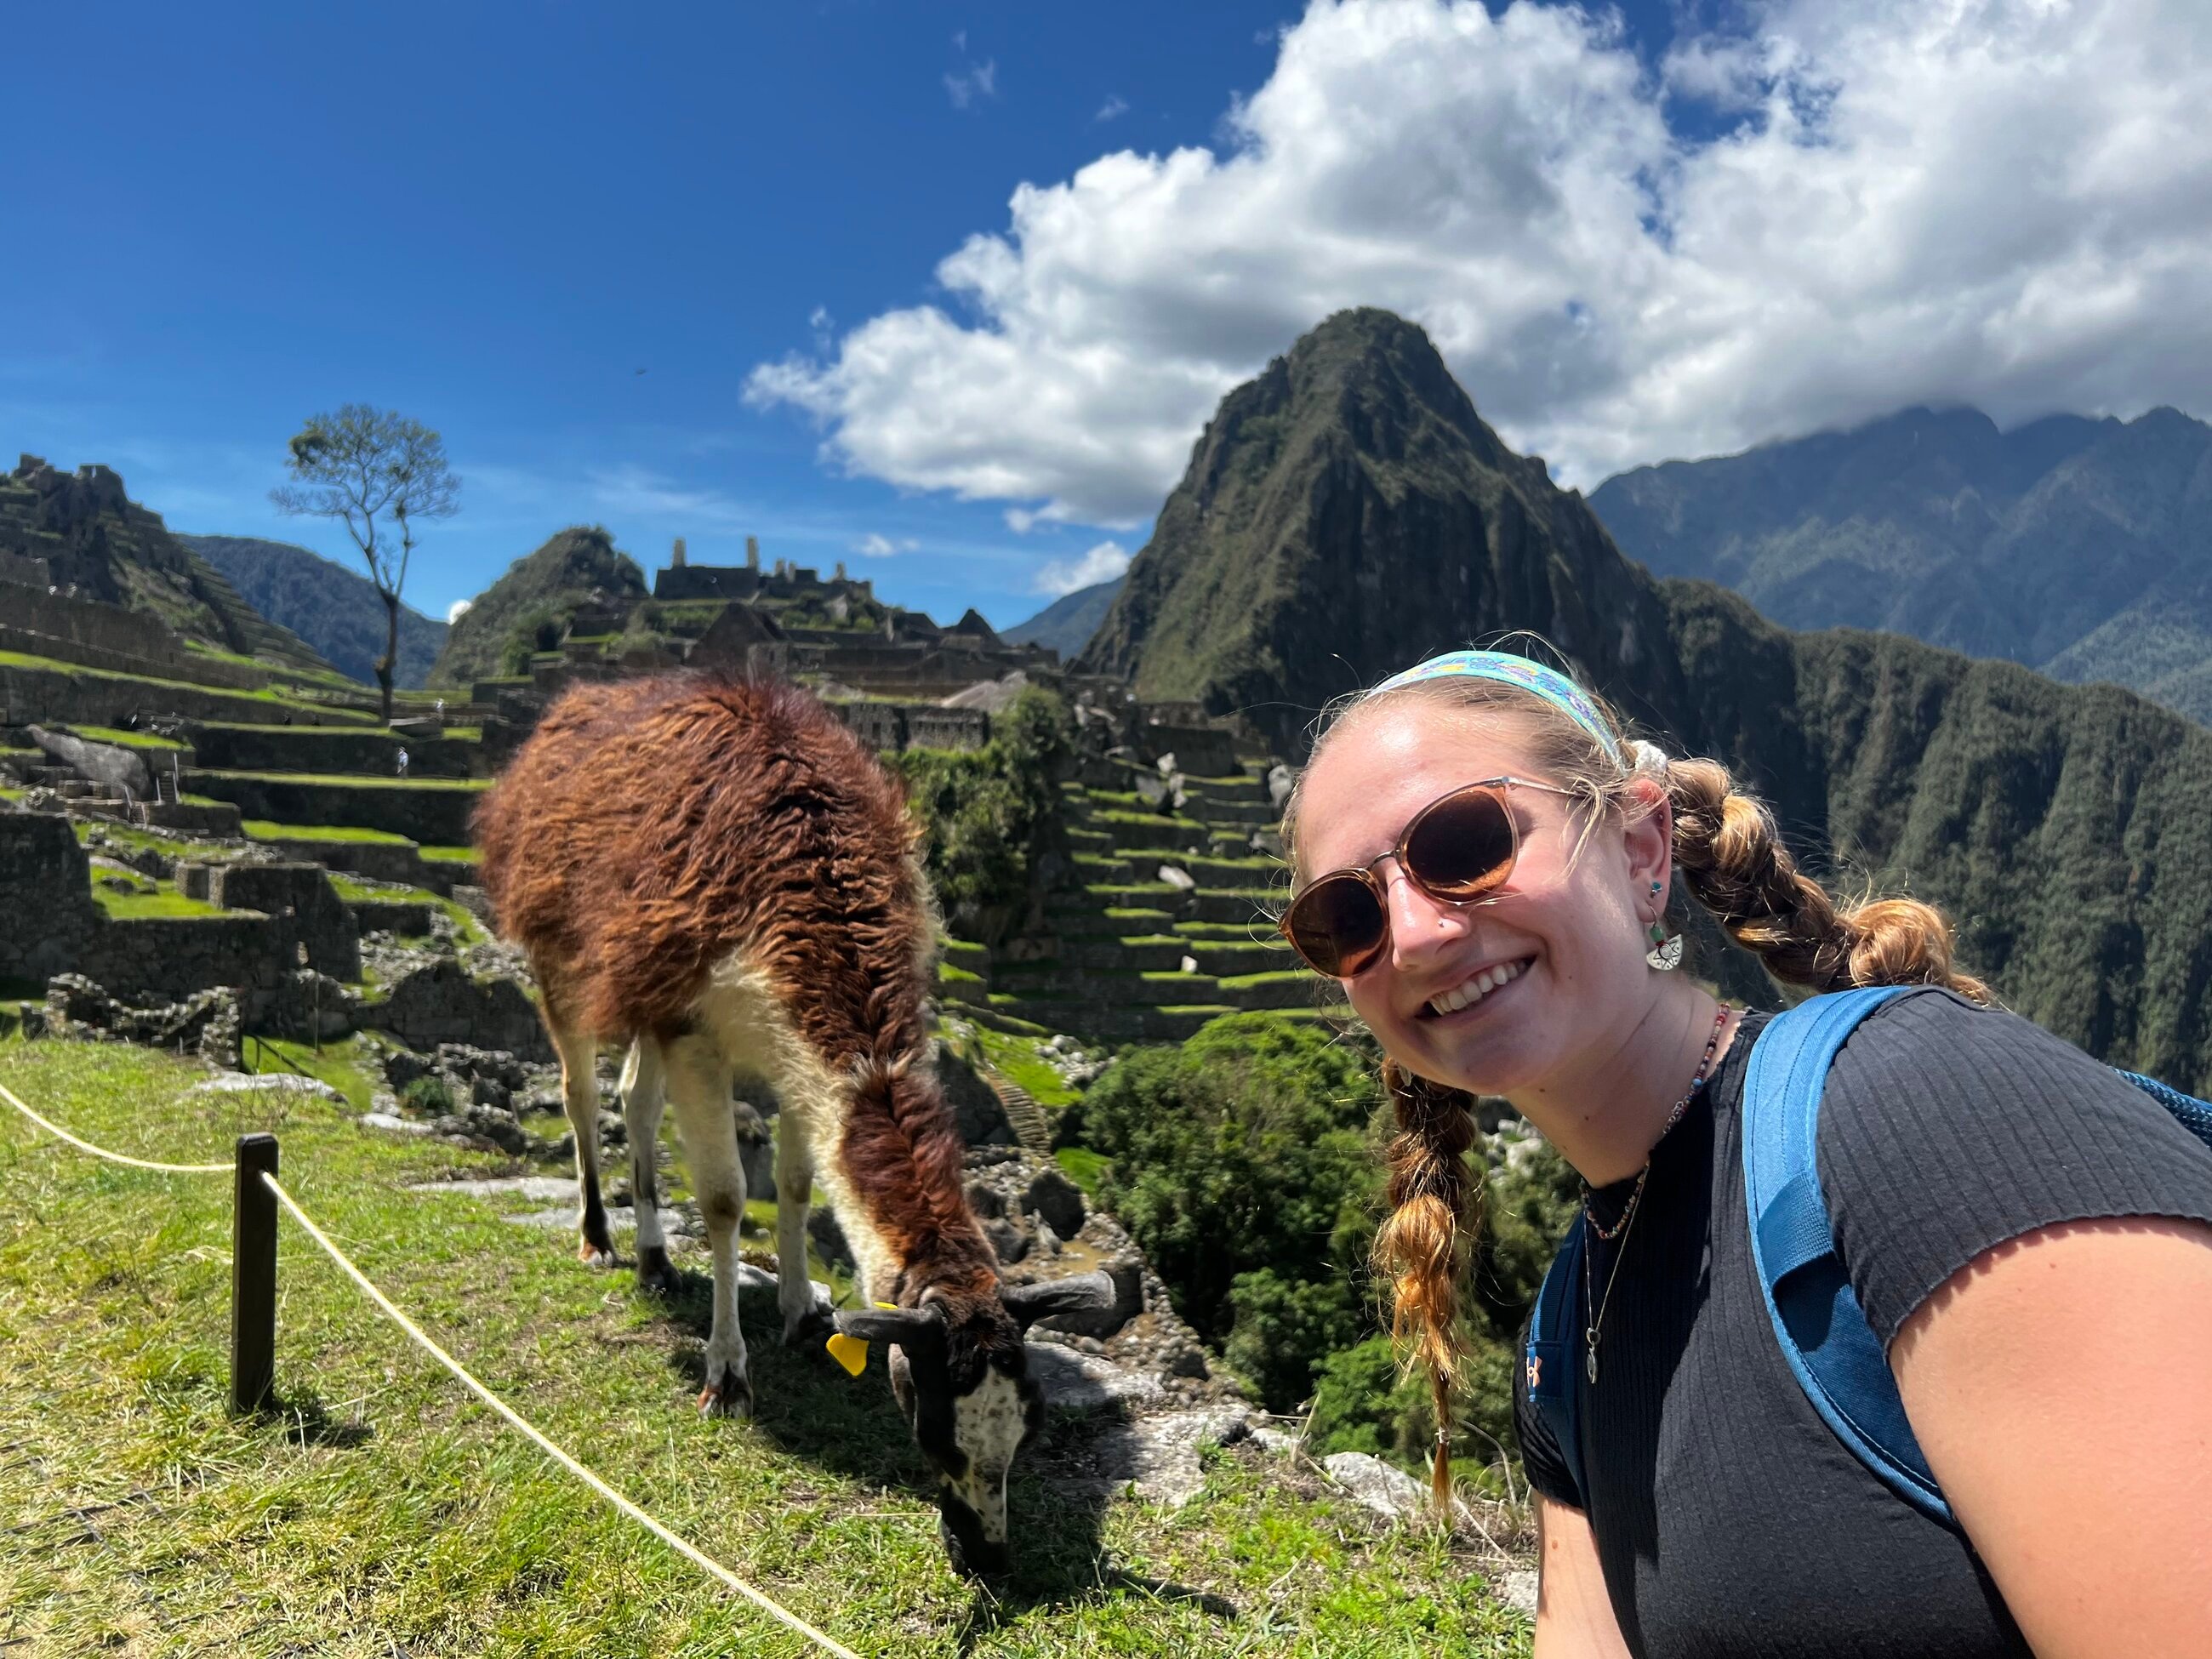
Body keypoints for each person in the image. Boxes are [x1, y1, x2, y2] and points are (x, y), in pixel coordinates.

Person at [1277, 648, 2212, 1657]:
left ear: (1640, 848)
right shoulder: (1564, 1330)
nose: (1412, 936)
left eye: (1463, 842)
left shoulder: (1918, 1109)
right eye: (1348, 917)